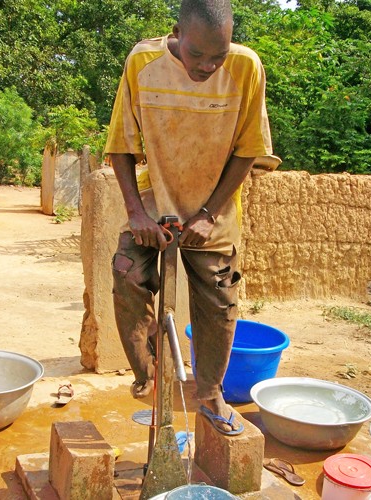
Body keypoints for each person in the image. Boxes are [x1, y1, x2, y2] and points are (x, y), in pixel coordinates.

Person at [105, 0, 272, 435]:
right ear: (177, 32)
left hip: (212, 209)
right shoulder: (143, 61)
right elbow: (121, 144)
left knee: (219, 303)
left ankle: (210, 394)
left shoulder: (246, 68)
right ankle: (148, 376)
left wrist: (207, 214)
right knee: (127, 276)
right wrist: (137, 213)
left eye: (218, 55)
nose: (208, 65)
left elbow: (249, 150)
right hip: (152, 201)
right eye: (197, 54)